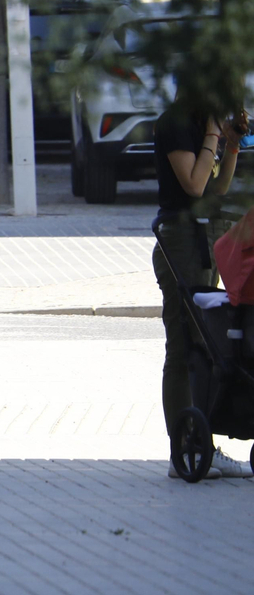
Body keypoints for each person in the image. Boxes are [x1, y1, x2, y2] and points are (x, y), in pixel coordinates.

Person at [152, 93, 252, 478]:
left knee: (206, 343)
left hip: (205, 239)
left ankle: (200, 440)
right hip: (179, 240)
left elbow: (218, 187)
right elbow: (194, 186)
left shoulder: (199, 127)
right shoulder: (175, 123)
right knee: (183, 344)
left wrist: (230, 145)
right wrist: (213, 133)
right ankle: (186, 448)